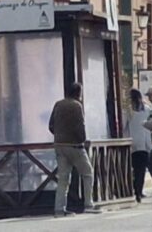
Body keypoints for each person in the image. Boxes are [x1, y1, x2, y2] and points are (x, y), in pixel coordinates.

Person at [48, 82, 101, 217]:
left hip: (59, 145)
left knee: (63, 178)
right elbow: (80, 126)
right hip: (74, 145)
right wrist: (82, 140)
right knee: (87, 173)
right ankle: (88, 204)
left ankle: (59, 209)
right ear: (79, 93)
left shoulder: (58, 104)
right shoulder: (77, 106)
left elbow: (51, 125)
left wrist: (59, 135)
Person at [125, 89, 151, 203]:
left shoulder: (128, 110)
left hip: (132, 143)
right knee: (141, 170)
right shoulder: (147, 109)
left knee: (132, 169)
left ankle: (132, 189)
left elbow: (123, 125)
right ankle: (138, 192)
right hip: (144, 143)